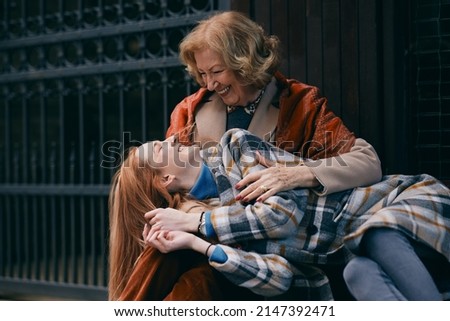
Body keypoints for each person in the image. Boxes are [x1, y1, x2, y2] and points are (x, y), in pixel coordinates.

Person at [109, 10, 383, 301]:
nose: (209, 84)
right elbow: (170, 185)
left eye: (216, 71)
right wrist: (198, 220)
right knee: (178, 262)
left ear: (246, 62)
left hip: (276, 248)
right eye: (202, 74)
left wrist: (298, 174)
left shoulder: (300, 104)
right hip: (211, 238)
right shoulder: (188, 111)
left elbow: (367, 162)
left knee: (194, 278)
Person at [111, 128, 450, 301]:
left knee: (377, 236)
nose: (171, 137)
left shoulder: (234, 146)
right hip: (354, 251)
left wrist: (198, 224)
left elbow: (282, 214)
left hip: (399, 202)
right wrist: (199, 244)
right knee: (359, 273)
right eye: (160, 147)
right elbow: (277, 277)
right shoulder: (207, 221)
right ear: (165, 179)